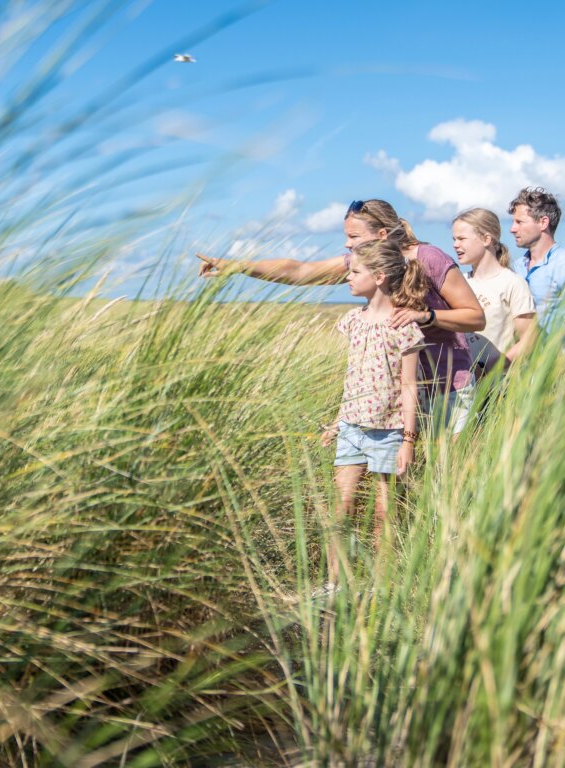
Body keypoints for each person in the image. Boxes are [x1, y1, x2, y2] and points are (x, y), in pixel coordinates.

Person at [197, 198, 485, 434]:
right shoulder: (362, 263)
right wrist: (237, 266)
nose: (347, 245)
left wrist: (425, 316)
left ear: (382, 234)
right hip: (396, 395)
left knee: (446, 476)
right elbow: (301, 271)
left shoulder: (430, 258)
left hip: (447, 386)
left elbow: (475, 317)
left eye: (354, 237)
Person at [318, 240, 426, 573]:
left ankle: (382, 588)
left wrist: (408, 439)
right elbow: (352, 379)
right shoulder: (352, 321)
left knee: (384, 513)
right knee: (342, 506)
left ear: (379, 276)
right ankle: (336, 581)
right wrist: (338, 422)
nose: (348, 277)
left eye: (355, 271)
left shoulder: (403, 327)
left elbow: (410, 387)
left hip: (389, 432)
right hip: (352, 427)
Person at [452, 208, 537, 373]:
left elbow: (529, 339)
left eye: (462, 238)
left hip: (500, 386)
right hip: (465, 388)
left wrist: (489, 370)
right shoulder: (459, 282)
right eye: (454, 239)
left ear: (486, 239)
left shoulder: (512, 283)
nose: (455, 245)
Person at [508, 187, 565, 330]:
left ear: (543, 223)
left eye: (519, 222)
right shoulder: (516, 267)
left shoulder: (561, 264)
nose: (512, 229)